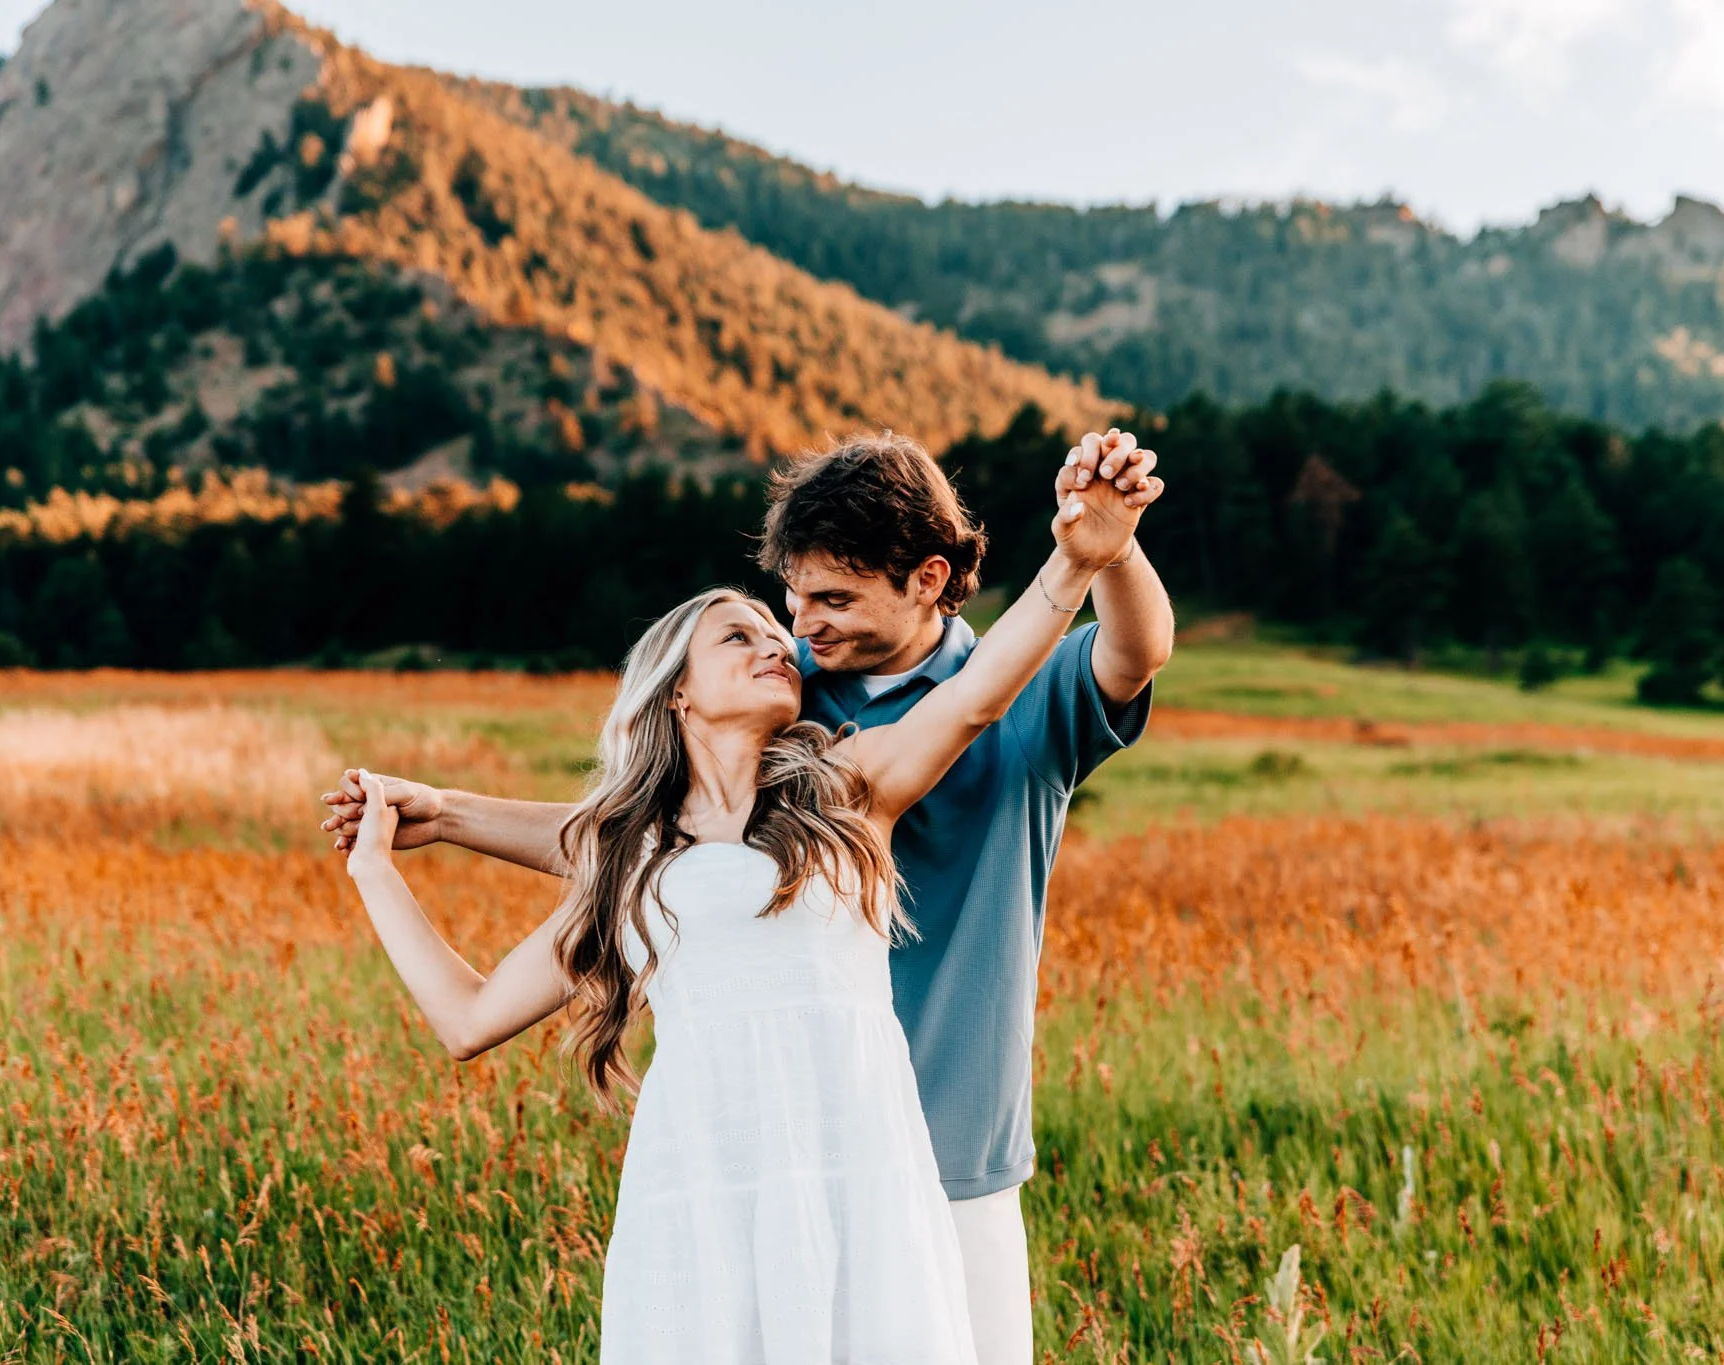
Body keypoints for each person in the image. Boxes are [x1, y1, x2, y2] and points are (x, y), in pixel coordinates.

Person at [329, 428, 1172, 1360]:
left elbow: (1009, 688)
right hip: (718, 1186)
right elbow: (612, 855)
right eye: (774, 614)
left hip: (927, 1151)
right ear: (681, 696)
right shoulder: (696, 798)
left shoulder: (859, 775)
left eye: (826, 602)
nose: (795, 634)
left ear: (927, 579)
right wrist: (429, 826)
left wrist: (1090, 554)